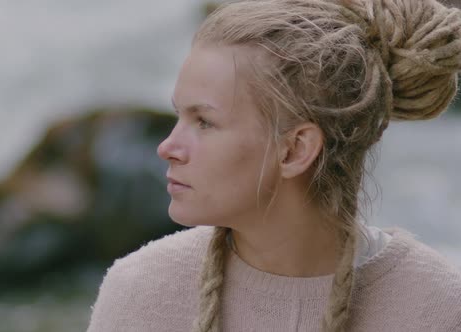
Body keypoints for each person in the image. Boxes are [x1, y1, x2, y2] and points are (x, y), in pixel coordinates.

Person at [86, 0, 461, 331]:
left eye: (204, 122)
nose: (167, 147)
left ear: (295, 150)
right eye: (178, 116)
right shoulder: (139, 294)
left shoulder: (437, 309)